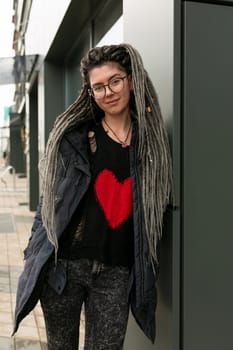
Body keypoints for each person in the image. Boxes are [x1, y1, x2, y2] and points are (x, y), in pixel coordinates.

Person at [13, 43, 173, 350]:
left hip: (115, 272)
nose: (108, 92)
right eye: (97, 87)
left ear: (131, 79)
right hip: (64, 269)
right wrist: (33, 255)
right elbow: (50, 203)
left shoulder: (149, 145)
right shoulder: (75, 139)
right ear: (90, 92)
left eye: (115, 81)